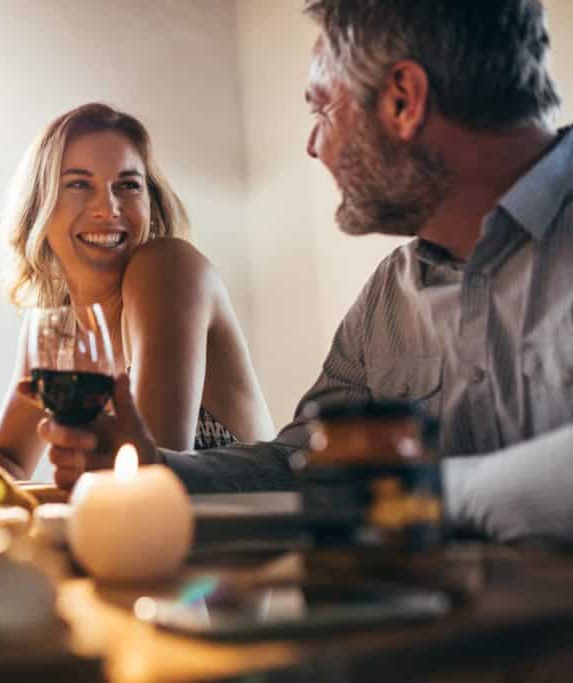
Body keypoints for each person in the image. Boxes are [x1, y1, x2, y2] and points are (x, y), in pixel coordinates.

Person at [34, 0, 573, 543]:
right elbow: (301, 461)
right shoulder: (390, 298)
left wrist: (426, 492)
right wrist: (156, 465)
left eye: (323, 111)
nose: (313, 146)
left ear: (404, 101)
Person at [0, 103, 274, 485]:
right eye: (79, 184)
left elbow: (149, 472)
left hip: (251, 539)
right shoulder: (56, 318)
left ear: (150, 204)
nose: (108, 207)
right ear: (41, 205)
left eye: (128, 185)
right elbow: (10, 459)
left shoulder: (166, 267)